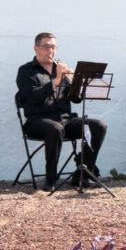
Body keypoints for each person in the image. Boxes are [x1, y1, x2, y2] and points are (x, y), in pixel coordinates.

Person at [16, 32, 107, 191]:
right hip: (37, 120)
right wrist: (56, 80)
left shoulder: (60, 69)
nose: (50, 51)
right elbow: (33, 97)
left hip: (65, 119)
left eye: (53, 47)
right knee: (55, 129)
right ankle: (50, 179)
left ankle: (83, 174)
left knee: (98, 125)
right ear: (36, 49)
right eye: (46, 47)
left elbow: (76, 100)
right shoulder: (26, 71)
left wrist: (75, 81)